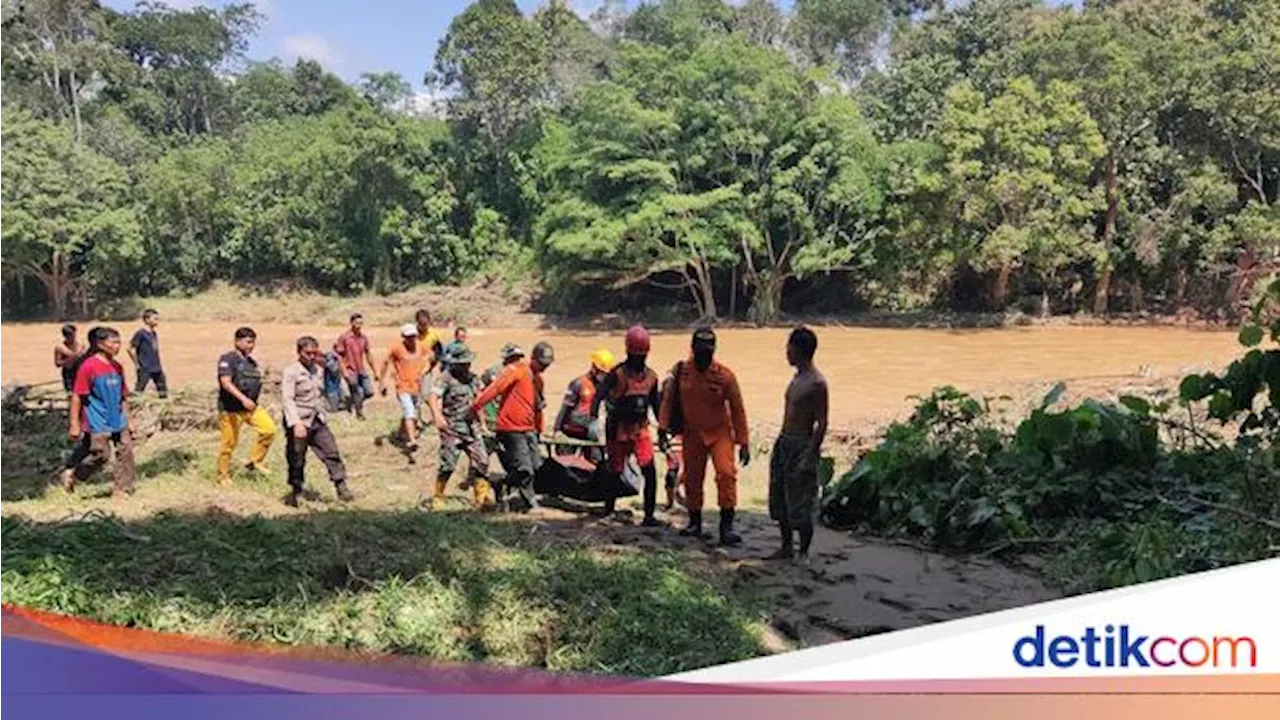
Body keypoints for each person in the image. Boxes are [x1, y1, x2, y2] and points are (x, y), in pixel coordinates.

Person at [659, 326, 750, 546]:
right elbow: (668, 401)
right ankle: (694, 522)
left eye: (707, 351)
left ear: (714, 350)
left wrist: (744, 442)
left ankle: (726, 526)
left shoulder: (725, 376)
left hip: (720, 433)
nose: (703, 355)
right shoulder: (681, 372)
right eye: (700, 350)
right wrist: (662, 428)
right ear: (692, 348)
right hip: (692, 433)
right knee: (692, 478)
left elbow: (738, 409)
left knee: (726, 475)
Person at [471, 342, 554, 513]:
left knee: (537, 465)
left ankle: (502, 484)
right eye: (542, 364)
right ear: (532, 358)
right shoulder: (516, 370)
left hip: (528, 428)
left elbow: (538, 407)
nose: (544, 368)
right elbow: (495, 389)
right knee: (524, 468)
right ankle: (530, 503)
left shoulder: (538, 380)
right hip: (510, 427)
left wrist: (540, 430)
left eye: (547, 365)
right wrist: (476, 407)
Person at [769, 327, 829, 566]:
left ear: (800, 350)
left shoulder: (817, 383)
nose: (786, 352)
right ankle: (785, 546)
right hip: (784, 441)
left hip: (801, 444)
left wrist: (810, 455)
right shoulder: (796, 377)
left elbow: (822, 422)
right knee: (779, 496)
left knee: (802, 501)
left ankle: (803, 551)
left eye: (789, 348)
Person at [595, 325, 663, 526]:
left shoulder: (651, 377)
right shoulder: (617, 374)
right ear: (628, 352)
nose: (638, 360)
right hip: (618, 429)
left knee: (649, 470)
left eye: (641, 356)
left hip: (641, 429)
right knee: (614, 470)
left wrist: (664, 427)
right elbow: (599, 395)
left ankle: (649, 515)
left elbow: (655, 405)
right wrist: (593, 417)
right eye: (635, 355)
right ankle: (608, 511)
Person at [281, 336, 355, 507]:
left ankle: (341, 486)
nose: (312, 357)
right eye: (308, 353)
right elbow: (287, 399)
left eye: (314, 353)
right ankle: (296, 490)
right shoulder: (291, 372)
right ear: (299, 352)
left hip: (317, 419)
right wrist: (296, 423)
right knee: (296, 457)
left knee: (331, 451)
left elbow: (326, 390)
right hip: (299, 420)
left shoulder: (318, 370)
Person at [63, 327, 136, 497]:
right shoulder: (89, 367)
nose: (117, 346)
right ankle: (76, 474)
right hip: (97, 419)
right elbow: (77, 396)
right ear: (100, 344)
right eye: (114, 342)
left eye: (119, 342)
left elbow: (123, 396)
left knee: (126, 452)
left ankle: (122, 489)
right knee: (101, 455)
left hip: (117, 417)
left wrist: (129, 419)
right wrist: (74, 424)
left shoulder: (117, 367)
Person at [429, 345, 492, 510]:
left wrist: (483, 424)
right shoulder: (445, 378)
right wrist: (438, 417)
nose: (466, 366)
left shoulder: (473, 379)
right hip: (452, 428)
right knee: (448, 463)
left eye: (468, 363)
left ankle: (481, 498)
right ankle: (438, 496)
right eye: (463, 363)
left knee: (482, 461)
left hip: (472, 428)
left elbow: (479, 402)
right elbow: (433, 397)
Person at [216, 327, 277, 484]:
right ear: (237, 341)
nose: (251, 346)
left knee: (269, 430)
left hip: (250, 408)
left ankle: (254, 461)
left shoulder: (251, 362)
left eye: (253, 343)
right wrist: (243, 398)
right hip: (231, 409)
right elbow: (225, 382)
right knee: (229, 444)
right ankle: (223, 476)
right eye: (248, 342)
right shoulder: (227, 359)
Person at [553, 349, 614, 463]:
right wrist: (557, 429)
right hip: (571, 430)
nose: (603, 376)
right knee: (565, 465)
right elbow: (566, 407)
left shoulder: (605, 388)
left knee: (597, 464)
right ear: (594, 368)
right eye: (601, 372)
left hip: (591, 434)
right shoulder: (578, 384)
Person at [378, 324, 430, 453]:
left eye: (413, 337)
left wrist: (424, 370)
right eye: (408, 337)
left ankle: (400, 434)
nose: (411, 340)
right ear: (403, 337)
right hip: (402, 386)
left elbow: (430, 356)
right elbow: (385, 363)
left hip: (416, 386)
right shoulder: (396, 348)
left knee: (411, 412)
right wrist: (382, 382)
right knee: (410, 412)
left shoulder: (420, 346)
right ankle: (412, 440)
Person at [335, 313, 376, 420]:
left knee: (369, 392)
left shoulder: (363, 338)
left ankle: (351, 402)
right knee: (358, 391)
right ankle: (359, 413)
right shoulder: (344, 337)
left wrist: (375, 371)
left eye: (361, 323)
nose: (359, 325)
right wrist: (343, 370)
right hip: (350, 369)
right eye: (357, 323)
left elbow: (368, 354)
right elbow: (339, 355)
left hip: (361, 369)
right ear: (351, 323)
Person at [129, 309, 167, 399]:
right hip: (145, 367)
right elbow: (130, 349)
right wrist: (137, 364)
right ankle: (133, 405)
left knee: (162, 388)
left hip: (156, 366)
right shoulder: (141, 334)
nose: (157, 321)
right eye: (155, 319)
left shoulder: (153, 333)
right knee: (139, 389)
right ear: (147, 320)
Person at [54, 324, 84, 395]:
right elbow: (58, 363)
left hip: (80, 372)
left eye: (74, 335)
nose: (72, 337)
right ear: (65, 336)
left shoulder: (81, 345)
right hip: (68, 373)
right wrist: (71, 358)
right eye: (70, 335)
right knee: (71, 394)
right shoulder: (60, 348)